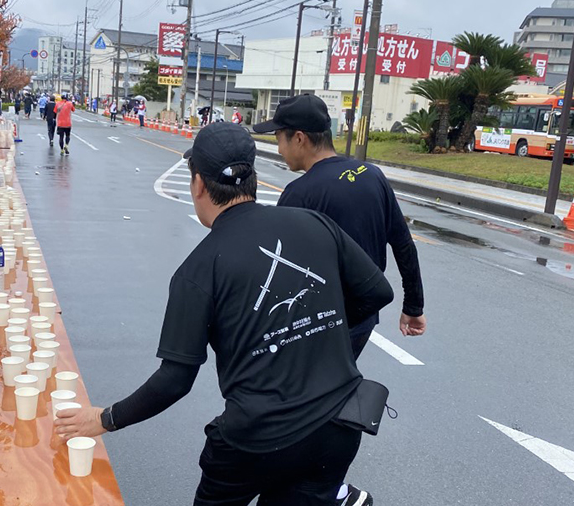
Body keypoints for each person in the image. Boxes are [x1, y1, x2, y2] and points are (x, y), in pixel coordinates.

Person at [55, 123, 394, 506]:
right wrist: (315, 328)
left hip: (254, 441)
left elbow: (174, 380)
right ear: (252, 175)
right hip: (337, 426)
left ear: (198, 184)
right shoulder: (314, 224)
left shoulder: (199, 270)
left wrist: (104, 418)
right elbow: (378, 292)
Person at [253, 93, 426, 361]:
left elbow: (280, 271)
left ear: (299, 138)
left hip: (319, 321)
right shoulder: (372, 175)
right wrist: (414, 306)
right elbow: (403, 244)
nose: (278, 149)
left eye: (278, 139)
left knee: (310, 396)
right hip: (365, 316)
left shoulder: (299, 194)